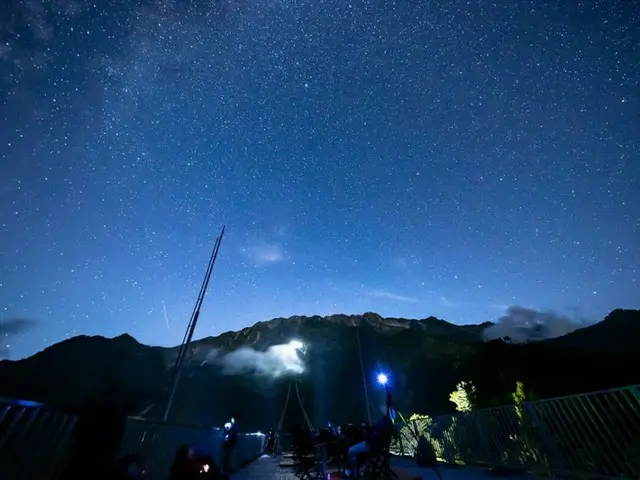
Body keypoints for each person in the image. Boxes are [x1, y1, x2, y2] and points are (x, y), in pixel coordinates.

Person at [345, 392, 396, 478]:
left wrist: (367, 432)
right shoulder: (388, 422)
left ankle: (350, 473)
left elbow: (374, 436)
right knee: (360, 451)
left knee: (350, 451)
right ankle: (360, 469)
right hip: (377, 446)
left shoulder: (385, 422)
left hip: (373, 446)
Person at [220, 411, 239, 477]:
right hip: (229, 444)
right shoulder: (235, 426)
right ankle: (226, 471)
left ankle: (224, 471)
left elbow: (230, 435)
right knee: (227, 458)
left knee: (226, 458)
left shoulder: (233, 426)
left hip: (228, 444)